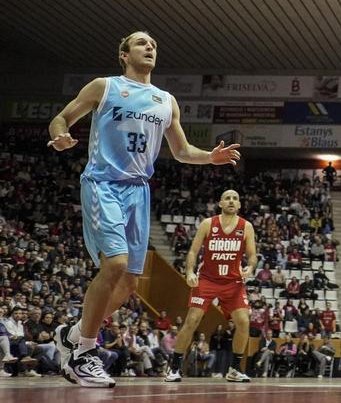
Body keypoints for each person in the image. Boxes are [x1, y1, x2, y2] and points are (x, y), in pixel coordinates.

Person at [47, 31, 241, 388]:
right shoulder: (104, 86)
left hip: (138, 191)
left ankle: (72, 334)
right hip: (104, 183)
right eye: (141, 43)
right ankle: (82, 354)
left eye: (153, 44)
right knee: (115, 264)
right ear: (124, 54)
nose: (149, 47)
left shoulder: (166, 100)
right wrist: (60, 136)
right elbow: (62, 118)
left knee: (130, 282)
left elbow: (181, 151)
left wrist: (209, 157)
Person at [165, 189, 257, 383]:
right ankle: (174, 368)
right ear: (220, 203)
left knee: (243, 322)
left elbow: (252, 255)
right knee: (192, 320)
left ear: (239, 205)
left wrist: (250, 267)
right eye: (227, 198)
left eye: (235, 198)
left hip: (233, 282)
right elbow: (193, 251)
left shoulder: (246, 226)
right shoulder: (208, 224)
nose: (231, 201)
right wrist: (190, 272)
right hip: (207, 280)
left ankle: (234, 369)